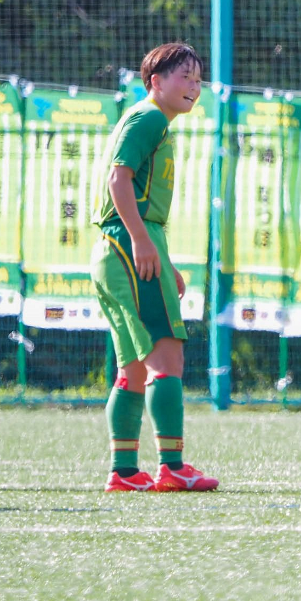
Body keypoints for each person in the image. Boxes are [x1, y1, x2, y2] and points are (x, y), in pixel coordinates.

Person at [91, 42, 218, 492]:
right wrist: (144, 242)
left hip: (118, 246)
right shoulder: (148, 117)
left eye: (198, 79)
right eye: (184, 76)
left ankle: (124, 471)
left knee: (134, 368)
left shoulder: (153, 121)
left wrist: (164, 258)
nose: (193, 86)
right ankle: (173, 465)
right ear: (155, 82)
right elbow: (118, 178)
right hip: (129, 242)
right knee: (168, 356)